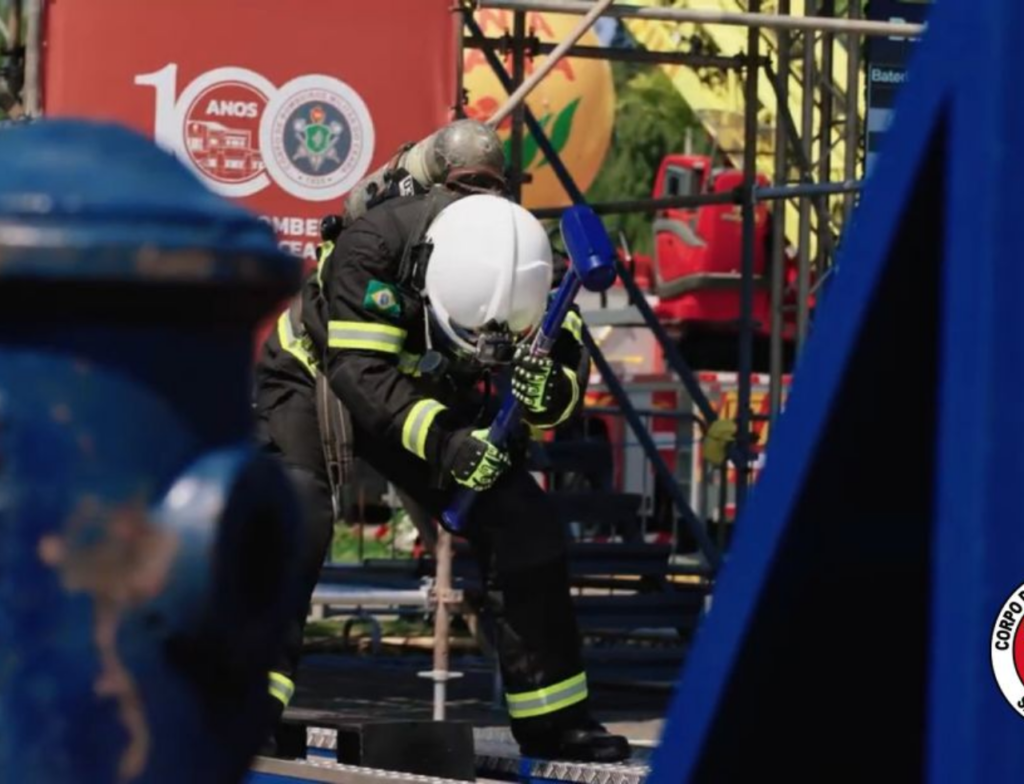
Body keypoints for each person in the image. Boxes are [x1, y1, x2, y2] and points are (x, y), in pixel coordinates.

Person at [252, 138, 630, 764]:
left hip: (430, 386)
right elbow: (361, 376)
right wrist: (450, 445)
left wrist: (543, 393)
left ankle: (557, 722)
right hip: (318, 375)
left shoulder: (533, 267)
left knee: (523, 524)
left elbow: (565, 389)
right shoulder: (373, 244)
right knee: (298, 515)